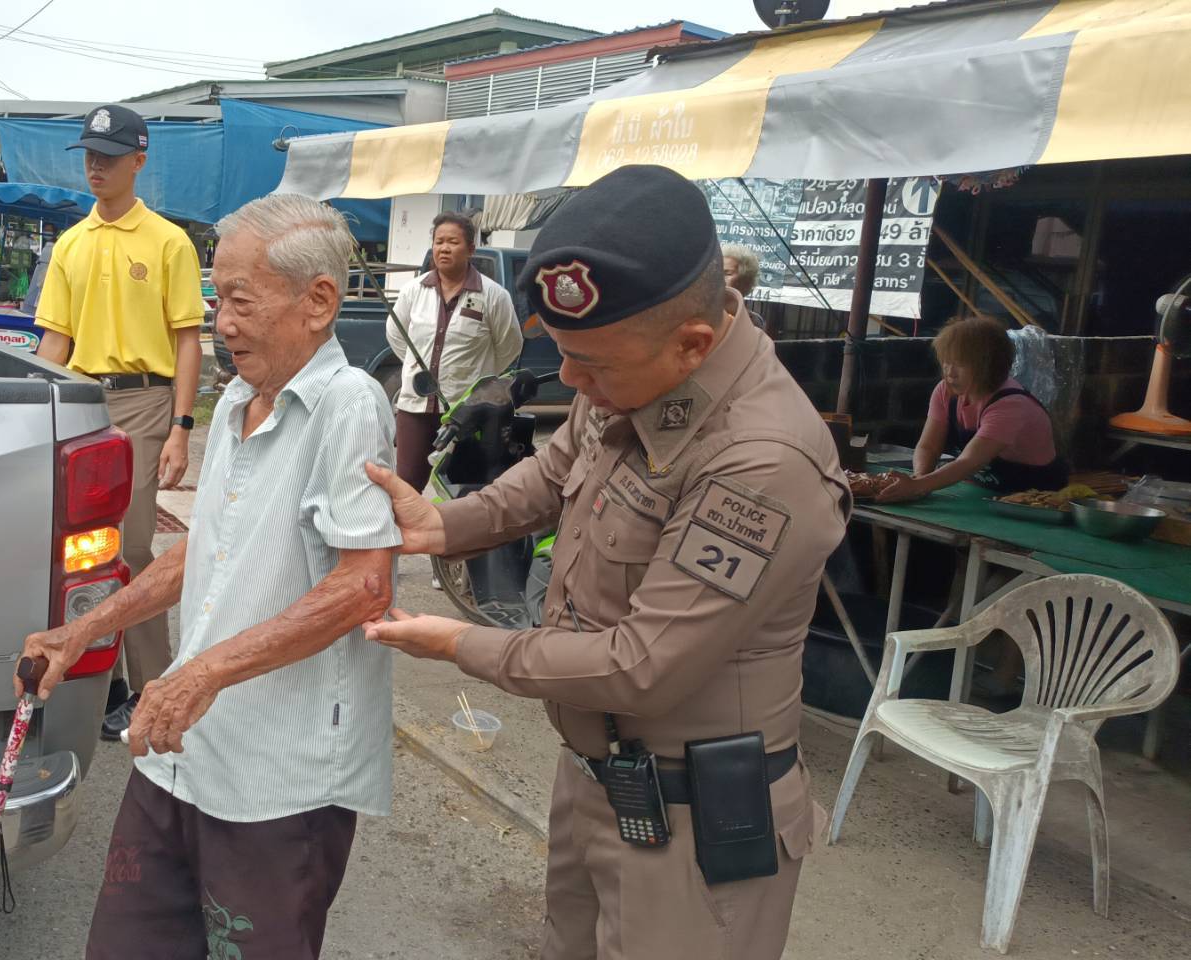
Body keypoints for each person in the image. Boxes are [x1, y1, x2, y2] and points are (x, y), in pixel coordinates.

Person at [362, 165, 851, 960]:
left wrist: (458, 643)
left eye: (593, 365)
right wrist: (441, 528)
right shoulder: (627, 369)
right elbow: (554, 474)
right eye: (565, 357)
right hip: (599, 778)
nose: (576, 383)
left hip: (693, 822)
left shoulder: (762, 464)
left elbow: (640, 666)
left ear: (695, 342)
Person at [17, 193, 398, 959]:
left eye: (239, 302)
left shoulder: (347, 403)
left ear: (319, 301)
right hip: (181, 754)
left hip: (277, 780)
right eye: (217, 300)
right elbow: (204, 549)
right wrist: (83, 629)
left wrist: (204, 674)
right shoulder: (233, 404)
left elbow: (365, 585)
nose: (220, 323)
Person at [34, 104, 205, 740]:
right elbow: (55, 342)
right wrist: (30, 403)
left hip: (142, 403)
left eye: (109, 154)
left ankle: (152, 686)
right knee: (83, 551)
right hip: (81, 403)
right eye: (89, 153)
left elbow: (188, 339)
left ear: (139, 159)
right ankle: (99, 683)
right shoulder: (71, 245)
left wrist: (182, 425)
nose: (96, 165)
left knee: (131, 551)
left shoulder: (167, 242)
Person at [387, 211, 524, 493]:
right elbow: (396, 335)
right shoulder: (413, 291)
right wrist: (417, 366)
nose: (444, 248)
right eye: (438, 242)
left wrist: (476, 377)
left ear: (471, 249)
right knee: (407, 486)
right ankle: (407, 537)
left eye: (453, 242)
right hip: (415, 407)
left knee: (462, 487)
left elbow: (510, 346)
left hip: (467, 410)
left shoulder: (494, 296)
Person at [878, 315, 1067, 503]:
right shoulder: (945, 391)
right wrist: (919, 479)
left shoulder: (1010, 404)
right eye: (947, 361)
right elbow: (929, 446)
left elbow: (970, 462)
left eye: (960, 363)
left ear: (988, 366)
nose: (950, 372)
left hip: (1032, 500)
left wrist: (919, 486)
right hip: (980, 492)